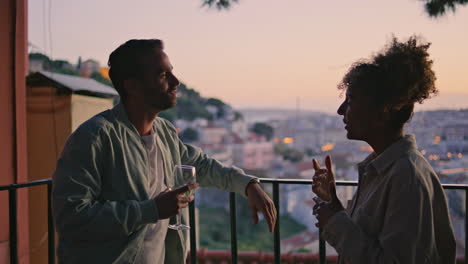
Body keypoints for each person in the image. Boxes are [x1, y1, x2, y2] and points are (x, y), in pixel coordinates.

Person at [52, 39, 277, 264]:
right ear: (133, 87)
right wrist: (151, 210)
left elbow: (201, 165)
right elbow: (71, 217)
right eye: (162, 75)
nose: (176, 81)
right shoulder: (94, 137)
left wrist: (248, 184)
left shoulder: (164, 132)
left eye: (172, 72)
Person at [311, 36, 456, 263]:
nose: (340, 111)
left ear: (382, 112)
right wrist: (335, 206)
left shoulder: (406, 177)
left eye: (350, 101)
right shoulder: (385, 170)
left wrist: (336, 221)